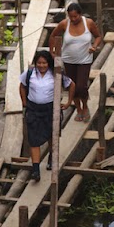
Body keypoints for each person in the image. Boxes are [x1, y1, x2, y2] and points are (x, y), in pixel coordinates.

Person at [18, 49, 69, 178]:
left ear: (49, 63)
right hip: (33, 109)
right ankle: (36, 169)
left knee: (52, 135)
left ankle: (52, 158)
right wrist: (24, 101)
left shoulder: (56, 74)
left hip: (50, 109)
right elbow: (22, 86)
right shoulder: (30, 73)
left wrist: (68, 103)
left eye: (44, 63)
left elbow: (70, 85)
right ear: (36, 63)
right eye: (39, 63)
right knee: (33, 139)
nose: (41, 66)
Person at [50, 1, 102, 121]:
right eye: (71, 16)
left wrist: (94, 46)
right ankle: (78, 108)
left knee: (81, 86)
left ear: (80, 14)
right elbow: (53, 35)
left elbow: (98, 36)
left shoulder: (88, 23)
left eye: (75, 16)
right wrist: (52, 51)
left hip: (85, 60)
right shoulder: (64, 24)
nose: (73, 19)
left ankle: (85, 106)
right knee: (71, 86)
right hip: (68, 60)